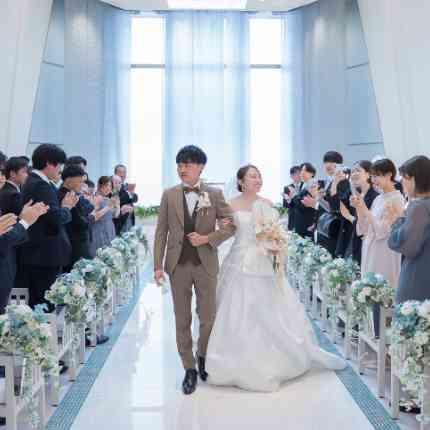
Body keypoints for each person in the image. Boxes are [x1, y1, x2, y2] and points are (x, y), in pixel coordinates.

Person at [206, 164, 345, 392]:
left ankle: (276, 356)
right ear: (241, 181)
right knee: (235, 307)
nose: (257, 179)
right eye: (252, 176)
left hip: (262, 261)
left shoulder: (267, 203)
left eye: (259, 176)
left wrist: (274, 245)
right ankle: (232, 357)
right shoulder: (230, 205)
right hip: (238, 260)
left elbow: (274, 234)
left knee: (269, 307)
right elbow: (225, 231)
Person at [153, 145, 235, 395]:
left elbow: (230, 226)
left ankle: (203, 356)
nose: (182, 169)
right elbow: (161, 232)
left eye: (187, 164)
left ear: (200, 167)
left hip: (205, 264)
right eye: (179, 165)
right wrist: (157, 266)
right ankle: (188, 368)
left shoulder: (214, 193)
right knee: (182, 318)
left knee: (208, 316)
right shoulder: (169, 195)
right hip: (177, 265)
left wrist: (208, 238)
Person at [20, 144, 78, 308]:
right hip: (44, 255)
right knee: (45, 304)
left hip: (38, 254)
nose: (60, 170)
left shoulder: (35, 181)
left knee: (40, 302)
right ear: (48, 163)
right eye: (59, 165)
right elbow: (56, 218)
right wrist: (66, 208)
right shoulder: (40, 185)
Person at [351, 158, 404, 336]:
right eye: (372, 176)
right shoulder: (379, 199)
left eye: (377, 176)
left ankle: (384, 340)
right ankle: (373, 337)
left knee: (383, 294)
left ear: (389, 175)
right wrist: (360, 209)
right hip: (371, 248)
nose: (374, 180)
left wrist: (365, 210)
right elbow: (364, 229)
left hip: (385, 253)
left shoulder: (397, 199)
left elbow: (382, 231)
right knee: (370, 292)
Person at [387, 156, 430, 304]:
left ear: (414, 179)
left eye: (404, 178)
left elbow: (408, 247)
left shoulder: (419, 207)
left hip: (418, 276)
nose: (401, 182)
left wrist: (396, 222)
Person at [338, 161, 379, 263]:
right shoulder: (356, 195)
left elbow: (371, 224)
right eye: (352, 172)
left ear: (368, 174)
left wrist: (352, 218)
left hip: (368, 243)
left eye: (358, 170)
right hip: (354, 240)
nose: (354, 174)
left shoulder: (375, 197)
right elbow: (340, 205)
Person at [59, 165, 93, 271]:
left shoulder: (72, 194)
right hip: (74, 244)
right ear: (69, 179)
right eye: (80, 181)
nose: (82, 185)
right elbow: (79, 222)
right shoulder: (65, 196)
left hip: (77, 242)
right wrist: (91, 218)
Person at [89, 176, 119, 255]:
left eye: (110, 186)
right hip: (99, 230)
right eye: (106, 185)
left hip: (109, 229)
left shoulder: (108, 199)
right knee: (100, 255)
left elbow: (115, 215)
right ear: (99, 185)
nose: (108, 188)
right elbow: (93, 217)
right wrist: (108, 207)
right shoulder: (95, 198)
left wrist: (117, 205)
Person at [291, 162, 318, 239]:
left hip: (307, 223)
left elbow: (303, 204)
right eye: (301, 171)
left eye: (305, 171)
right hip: (300, 222)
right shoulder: (304, 184)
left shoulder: (313, 185)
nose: (302, 173)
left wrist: (294, 196)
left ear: (312, 173)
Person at [114, 164, 138, 234]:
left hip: (129, 219)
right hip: (120, 220)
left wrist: (131, 193)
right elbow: (118, 200)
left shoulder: (126, 186)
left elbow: (135, 198)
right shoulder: (113, 186)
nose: (122, 175)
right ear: (115, 174)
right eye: (120, 172)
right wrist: (129, 194)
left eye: (124, 172)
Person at [282, 165, 302, 231]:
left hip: (304, 217)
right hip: (293, 217)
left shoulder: (305, 186)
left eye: (300, 173)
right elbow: (285, 205)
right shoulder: (287, 188)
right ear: (291, 176)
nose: (299, 175)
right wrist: (289, 199)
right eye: (296, 174)